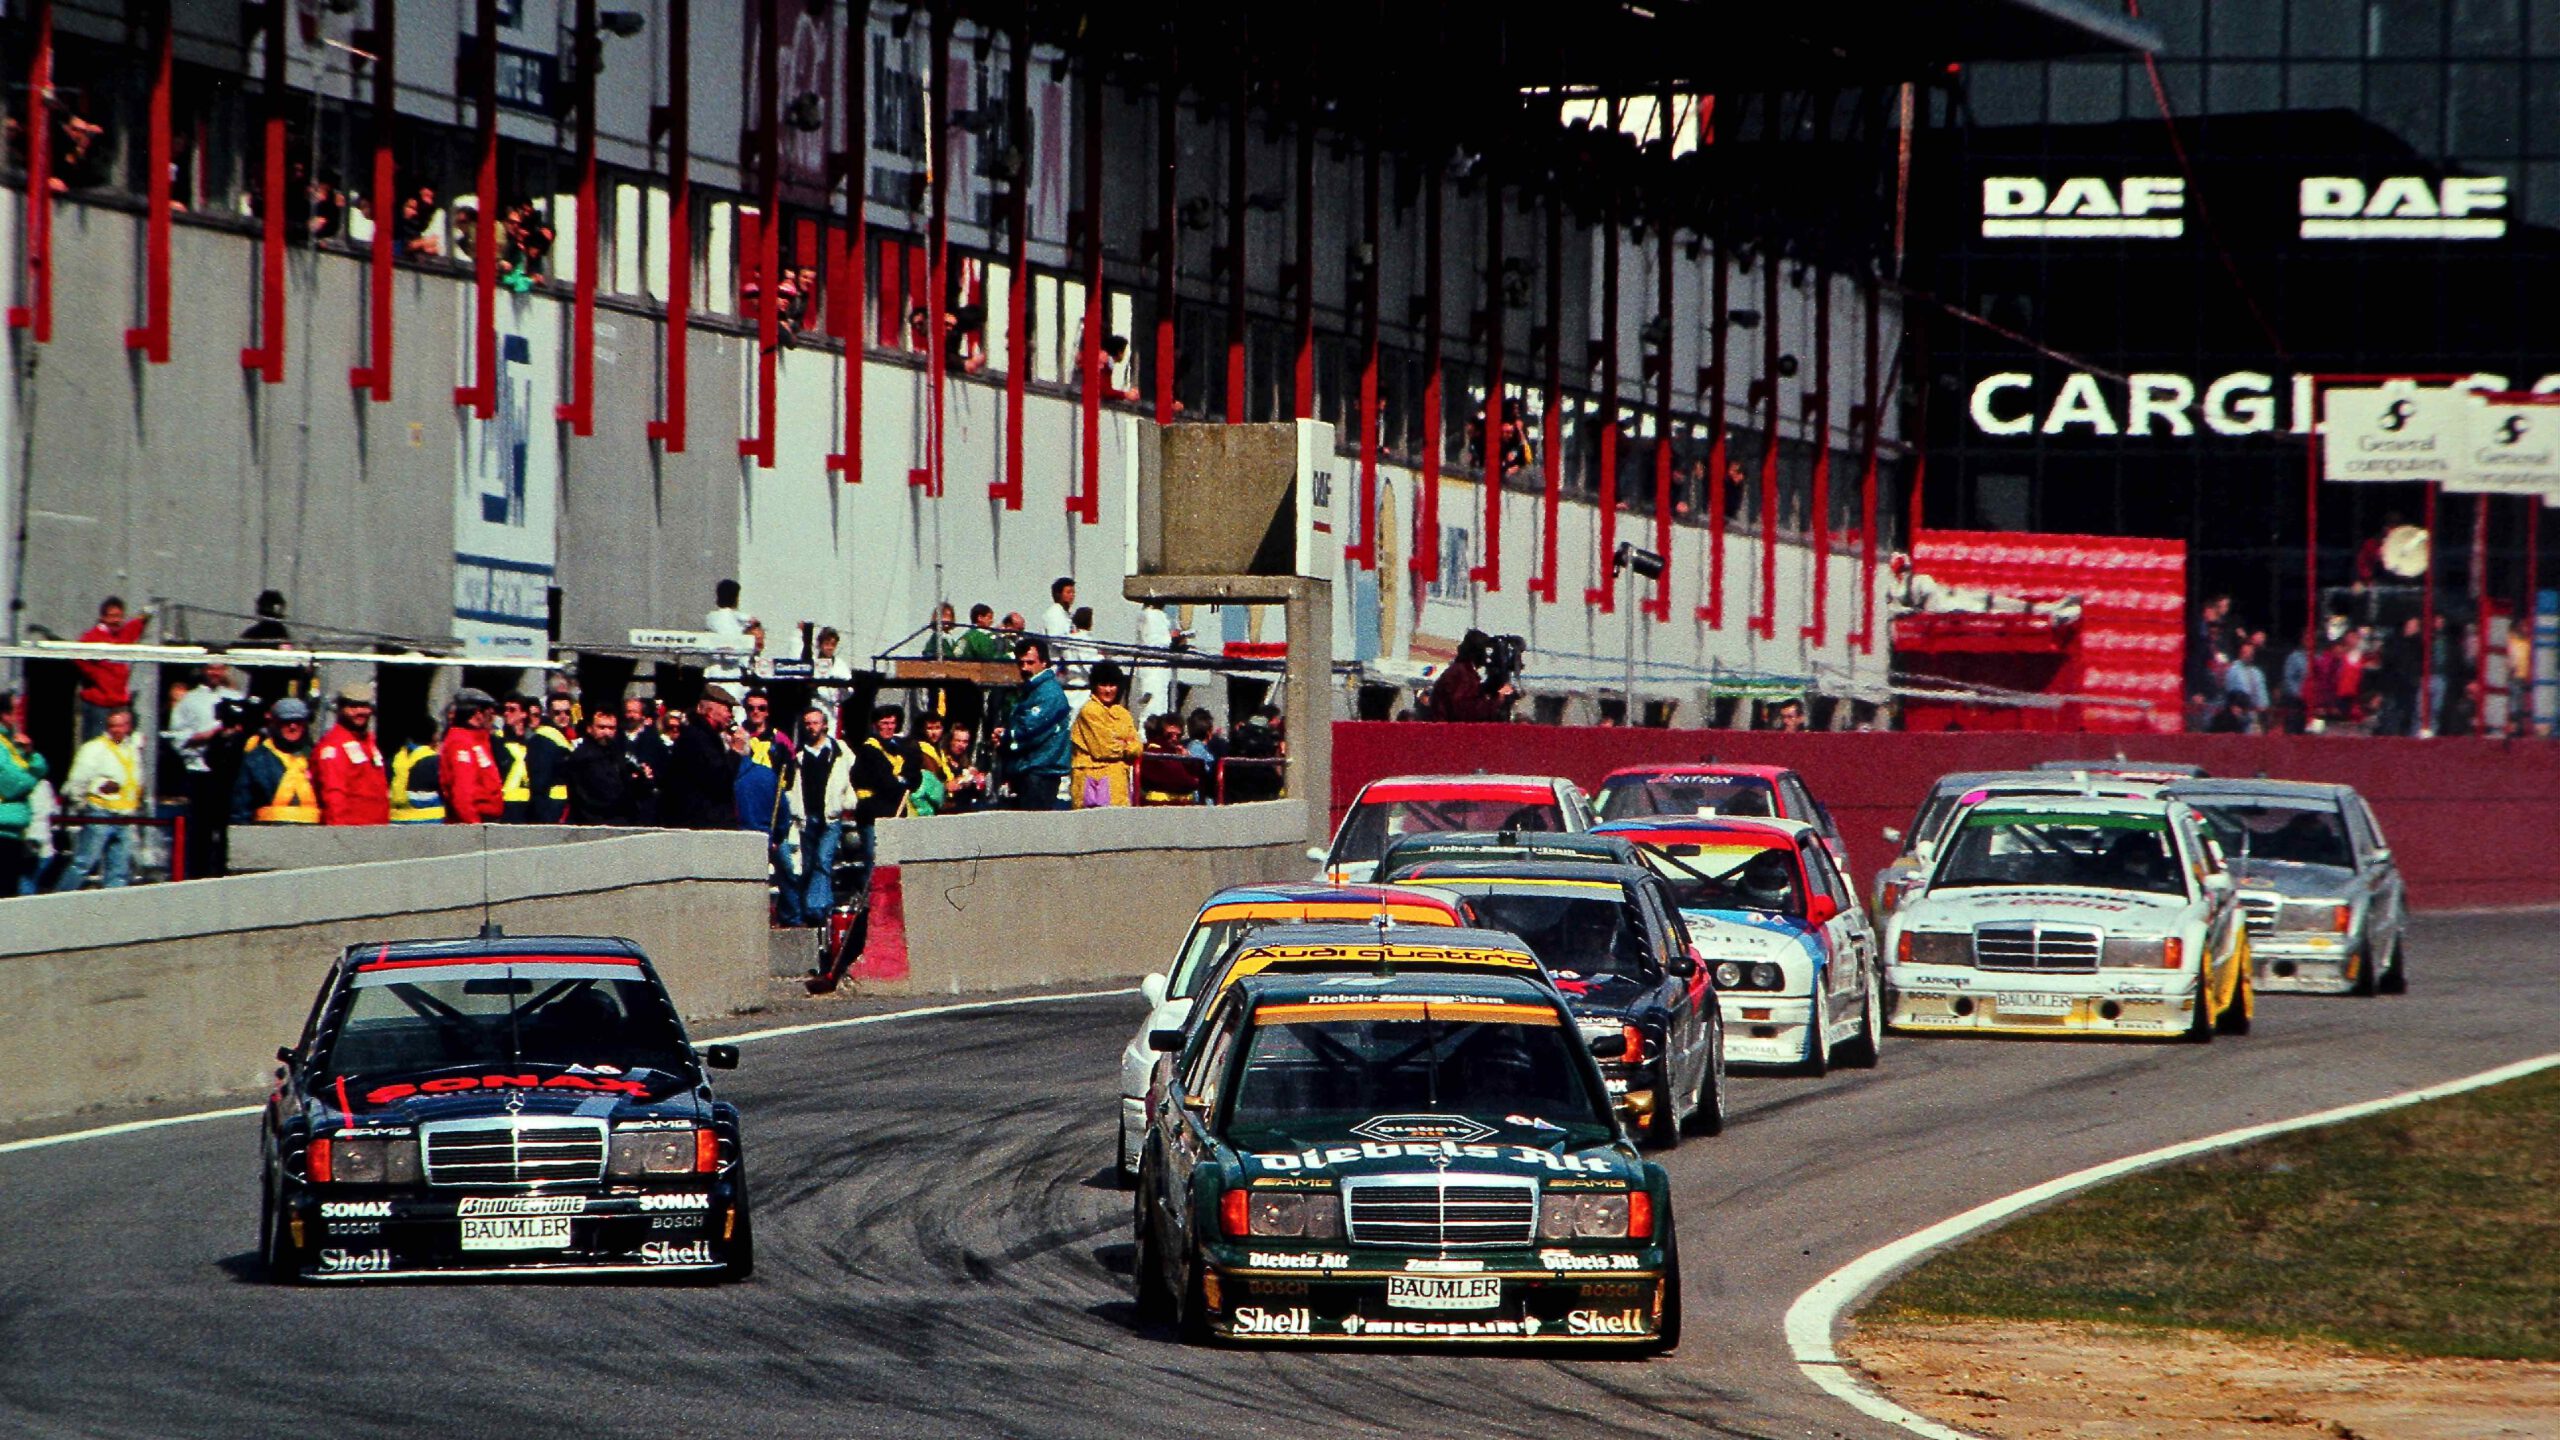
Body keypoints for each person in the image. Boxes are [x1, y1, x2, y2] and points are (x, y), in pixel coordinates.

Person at [53, 706, 143, 889]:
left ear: (128, 726)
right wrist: (82, 805)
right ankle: (58, 901)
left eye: (120, 725)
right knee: (83, 863)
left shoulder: (132, 749)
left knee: (119, 869)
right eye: (112, 726)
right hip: (101, 812)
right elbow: (78, 779)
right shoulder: (94, 748)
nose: (116, 730)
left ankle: (112, 910)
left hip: (125, 815)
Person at [773, 705, 845, 926]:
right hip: (806, 817)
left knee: (823, 860)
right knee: (807, 865)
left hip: (831, 816)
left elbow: (851, 778)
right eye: (808, 723)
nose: (812, 727)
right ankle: (812, 909)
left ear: (824, 725)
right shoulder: (799, 756)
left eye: (815, 722)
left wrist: (847, 801)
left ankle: (816, 909)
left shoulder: (840, 751)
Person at [660, 685, 747, 829]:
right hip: (701, 823)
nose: (730, 715)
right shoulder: (697, 739)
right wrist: (735, 752)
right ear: (710, 711)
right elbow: (718, 778)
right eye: (727, 709)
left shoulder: (707, 737)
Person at [1001, 638, 1073, 810]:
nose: (1025, 668)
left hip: (1041, 770)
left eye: (1030, 662)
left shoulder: (1049, 693)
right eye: (1021, 663)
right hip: (1028, 768)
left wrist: (1006, 736)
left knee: (1034, 829)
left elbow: (1030, 729)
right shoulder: (1031, 691)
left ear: (1044, 662)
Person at [74, 596, 152, 741]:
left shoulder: (120, 635)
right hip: (99, 704)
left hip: (118, 704)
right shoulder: (92, 637)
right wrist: (98, 676)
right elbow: (78, 657)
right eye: (112, 616)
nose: (116, 620)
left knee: (120, 744)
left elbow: (133, 627)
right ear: (102, 617)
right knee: (97, 744)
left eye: (119, 616)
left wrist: (144, 618)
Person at [311, 682, 389, 826]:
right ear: (340, 709)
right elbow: (333, 795)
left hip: (377, 831)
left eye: (364, 706)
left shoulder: (368, 742)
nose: (360, 711)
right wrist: (339, 837)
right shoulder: (333, 746)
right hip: (351, 835)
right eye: (353, 706)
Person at [233, 698, 320, 824]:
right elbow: (241, 807)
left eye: (298, 722)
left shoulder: (316, 756)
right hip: (268, 832)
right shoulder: (256, 759)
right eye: (286, 722)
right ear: (274, 724)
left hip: (314, 833)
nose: (292, 726)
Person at [1070, 661, 1143, 808]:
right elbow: (1104, 749)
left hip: (1118, 783)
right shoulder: (1090, 710)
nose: (1108, 690)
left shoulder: (1123, 713)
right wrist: (1126, 745)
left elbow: (1138, 746)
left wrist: (1126, 745)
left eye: (1112, 685)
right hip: (1091, 783)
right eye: (1103, 685)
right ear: (1094, 686)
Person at [0, 689, 50, 896]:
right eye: (15, 711)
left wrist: (30, 754)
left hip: (13, 829)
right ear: (4, 715)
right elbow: (13, 783)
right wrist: (32, 779)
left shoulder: (12, 743)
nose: (19, 716)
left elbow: (41, 768)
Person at [562, 705, 641, 825]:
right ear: (589, 728)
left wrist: (640, 778)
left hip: (618, 820)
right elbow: (604, 793)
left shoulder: (616, 752)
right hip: (593, 822)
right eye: (601, 727)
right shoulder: (584, 756)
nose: (607, 732)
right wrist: (630, 785)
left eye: (611, 728)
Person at [439, 689, 505, 824]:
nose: (493, 720)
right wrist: (474, 826)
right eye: (490, 714)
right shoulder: (460, 742)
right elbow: (463, 791)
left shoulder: (478, 741)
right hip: (473, 821)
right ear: (478, 714)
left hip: (487, 819)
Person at [1428, 629, 1515, 722]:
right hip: (1452, 732)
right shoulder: (1461, 673)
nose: (1488, 657)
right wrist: (1498, 699)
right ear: (1477, 651)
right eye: (1486, 651)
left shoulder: (1463, 672)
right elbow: (1464, 711)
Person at [237, 589, 298, 702]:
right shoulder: (255, 633)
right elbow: (236, 655)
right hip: (260, 687)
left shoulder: (282, 633)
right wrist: (259, 667)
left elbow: (294, 666)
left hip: (280, 688)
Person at [1137, 714, 1206, 806]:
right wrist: (1192, 782)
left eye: (1178, 735)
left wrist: (1189, 761)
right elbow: (1176, 779)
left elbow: (1201, 775)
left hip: (1184, 803)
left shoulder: (1180, 751)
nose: (1174, 738)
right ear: (1161, 732)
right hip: (1159, 804)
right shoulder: (1153, 751)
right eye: (1169, 735)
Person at [387, 716, 443, 824]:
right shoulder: (435, 761)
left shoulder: (394, 760)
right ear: (434, 736)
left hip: (396, 823)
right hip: (430, 825)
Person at [1134, 603, 1181, 720]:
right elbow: (1156, 642)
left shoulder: (1153, 615)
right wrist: (1174, 638)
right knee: (1153, 706)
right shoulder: (1151, 615)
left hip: (1157, 668)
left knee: (1158, 703)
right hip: (1153, 668)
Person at [706, 578, 758, 682]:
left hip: (713, 672)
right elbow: (752, 621)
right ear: (736, 599)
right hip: (733, 672)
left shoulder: (710, 617)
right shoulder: (735, 618)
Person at [2222, 637, 2271, 731]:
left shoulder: (2257, 673)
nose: (2249, 655)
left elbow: (2262, 695)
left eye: (2251, 652)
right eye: (2246, 652)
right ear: (2241, 653)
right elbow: (2229, 692)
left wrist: (2264, 709)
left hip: (2256, 716)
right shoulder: (2233, 670)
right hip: (2240, 715)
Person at [1041, 577, 1077, 643]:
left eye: (1073, 593)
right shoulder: (1053, 614)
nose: (1072, 596)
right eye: (1068, 592)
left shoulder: (1068, 615)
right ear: (1058, 594)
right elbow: (1055, 640)